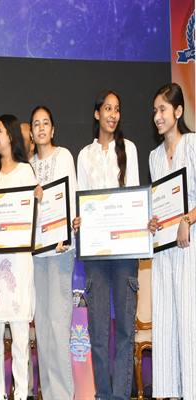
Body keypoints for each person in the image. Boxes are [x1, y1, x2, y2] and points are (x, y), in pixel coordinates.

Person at [73, 90, 140, 400]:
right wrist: (79, 220)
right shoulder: (84, 155)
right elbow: (82, 200)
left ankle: (121, 395)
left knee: (125, 329)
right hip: (96, 252)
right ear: (97, 113)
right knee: (98, 331)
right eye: (108, 109)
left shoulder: (130, 149)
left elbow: (135, 196)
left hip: (125, 251)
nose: (113, 115)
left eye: (117, 109)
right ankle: (103, 394)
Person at [0, 114, 36, 400]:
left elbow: (31, 216)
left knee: (21, 341)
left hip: (19, 265)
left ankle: (21, 394)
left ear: (10, 136)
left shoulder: (26, 172)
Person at [148, 83, 195, 399]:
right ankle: (171, 392)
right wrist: (152, 222)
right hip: (163, 250)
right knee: (165, 321)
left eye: (163, 109)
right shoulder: (153, 157)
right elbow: (159, 202)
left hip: (189, 245)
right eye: (154, 110)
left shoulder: (192, 145)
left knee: (189, 320)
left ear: (178, 111)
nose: (157, 116)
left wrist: (187, 220)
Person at [29, 106, 76, 399]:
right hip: (36, 256)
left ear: (53, 129)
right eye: (36, 124)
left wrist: (65, 235)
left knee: (59, 328)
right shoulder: (27, 166)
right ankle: (48, 393)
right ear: (32, 133)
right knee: (43, 331)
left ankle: (63, 395)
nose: (41, 128)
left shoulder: (64, 157)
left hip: (59, 252)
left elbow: (70, 199)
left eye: (45, 123)